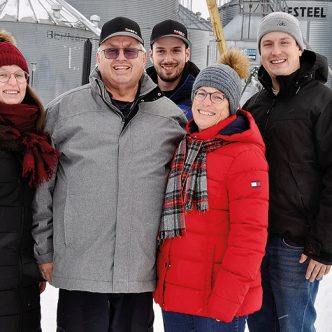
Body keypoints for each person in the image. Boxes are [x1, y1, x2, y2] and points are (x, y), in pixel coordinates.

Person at [32, 17, 186, 332]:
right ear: (99, 56)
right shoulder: (65, 112)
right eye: (111, 51)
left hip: (139, 268)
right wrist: (43, 250)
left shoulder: (170, 119)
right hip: (80, 264)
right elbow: (42, 188)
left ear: (144, 58)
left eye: (130, 51)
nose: (120, 58)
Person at [154, 48, 269, 332]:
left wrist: (225, 302)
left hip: (216, 305)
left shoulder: (245, 156)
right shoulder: (183, 146)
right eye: (201, 93)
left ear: (231, 105)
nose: (206, 102)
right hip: (177, 297)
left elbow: (250, 239)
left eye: (217, 96)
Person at [244, 12, 332, 332]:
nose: (275, 50)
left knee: (293, 325)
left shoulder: (322, 101)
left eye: (284, 42)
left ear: (300, 48)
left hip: (296, 245)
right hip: (255, 239)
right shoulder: (255, 104)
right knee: (260, 323)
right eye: (267, 43)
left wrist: (323, 247)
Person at [0, 31, 59, 331]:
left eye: (19, 75)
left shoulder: (36, 135)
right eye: (3, 75)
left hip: (23, 279)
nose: (13, 83)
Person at [147, 19, 200, 120]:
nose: (168, 60)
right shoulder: (137, 94)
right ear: (151, 55)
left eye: (176, 51)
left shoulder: (203, 98)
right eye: (161, 51)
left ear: (187, 54)